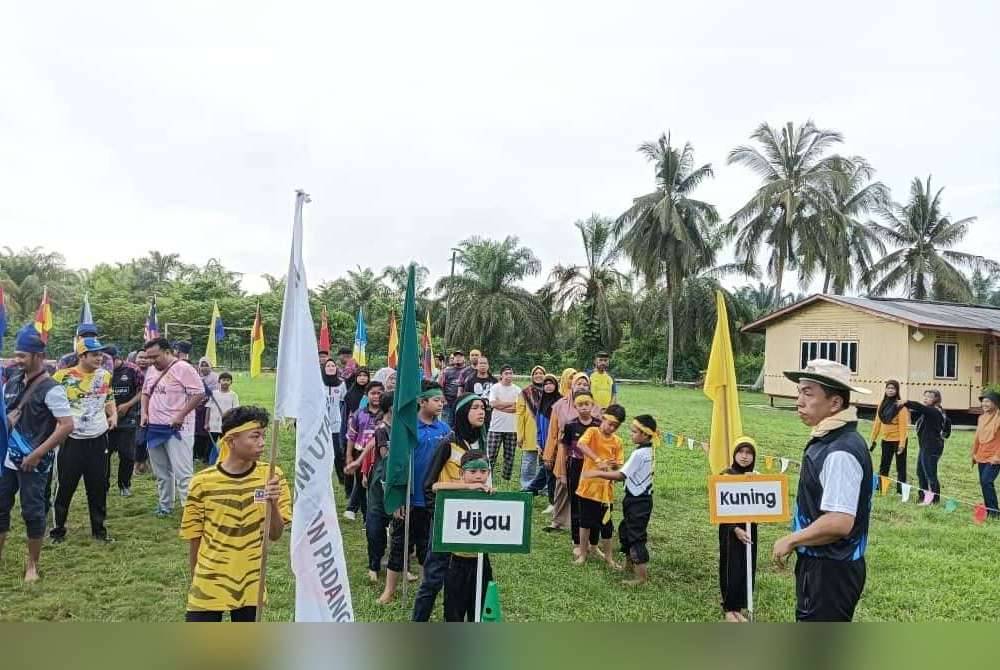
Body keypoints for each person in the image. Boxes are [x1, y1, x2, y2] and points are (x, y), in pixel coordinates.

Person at [772, 359, 873, 622]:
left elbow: (839, 522)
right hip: (824, 565)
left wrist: (792, 539)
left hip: (830, 569)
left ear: (835, 403)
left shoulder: (840, 451)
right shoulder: (831, 440)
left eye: (808, 393)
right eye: (799, 392)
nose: (799, 401)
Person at [179, 405, 291, 622]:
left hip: (251, 580)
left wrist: (273, 503)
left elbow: (275, 535)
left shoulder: (272, 476)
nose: (262, 442)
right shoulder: (202, 482)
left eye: (264, 436)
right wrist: (196, 578)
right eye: (255, 436)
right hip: (210, 578)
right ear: (231, 441)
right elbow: (195, 536)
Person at [0, 325, 74, 582]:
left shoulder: (52, 388)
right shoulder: (11, 383)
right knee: (1, 507)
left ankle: (32, 564)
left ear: (38, 356)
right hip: (6, 459)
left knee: (32, 511)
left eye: (22, 356)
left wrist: (38, 454)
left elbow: (66, 425)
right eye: (16, 355)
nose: (17, 360)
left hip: (34, 462)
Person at [412, 393, 487, 621]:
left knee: (469, 578)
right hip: (446, 521)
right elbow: (428, 484)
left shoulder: (481, 442)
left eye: (483, 407)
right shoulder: (448, 443)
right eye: (475, 407)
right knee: (433, 577)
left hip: (473, 523)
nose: (481, 411)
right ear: (463, 413)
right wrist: (440, 515)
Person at [378, 381, 450, 606]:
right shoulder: (407, 429)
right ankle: (389, 590)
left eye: (442, 400)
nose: (441, 404)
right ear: (422, 401)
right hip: (409, 498)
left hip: (433, 499)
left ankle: (426, 589)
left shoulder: (445, 430)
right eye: (436, 400)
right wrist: (398, 496)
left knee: (430, 547)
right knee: (399, 546)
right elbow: (395, 464)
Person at [50, 336, 117, 543]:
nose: (100, 358)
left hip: (97, 438)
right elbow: (50, 404)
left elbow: (108, 397)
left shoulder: (105, 375)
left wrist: (112, 414)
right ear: (82, 355)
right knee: (65, 486)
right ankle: (58, 530)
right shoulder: (62, 376)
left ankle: (99, 531)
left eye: (101, 354)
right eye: (95, 354)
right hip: (71, 439)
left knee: (97, 486)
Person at [583, 413, 658, 586]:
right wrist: (615, 465)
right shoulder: (646, 449)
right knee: (625, 531)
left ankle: (641, 577)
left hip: (639, 501)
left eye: (634, 432)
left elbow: (620, 475)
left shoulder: (640, 454)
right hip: (637, 499)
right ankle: (628, 565)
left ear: (645, 434)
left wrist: (596, 473)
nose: (631, 434)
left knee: (635, 536)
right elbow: (627, 470)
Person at [140, 337, 206, 517]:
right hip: (154, 428)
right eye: (149, 358)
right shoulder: (151, 370)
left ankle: (190, 511)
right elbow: (146, 393)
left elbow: (199, 393)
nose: (152, 361)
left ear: (168, 352)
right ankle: (165, 505)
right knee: (161, 472)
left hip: (178, 429)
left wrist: (180, 415)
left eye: (155, 357)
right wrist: (144, 413)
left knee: (183, 473)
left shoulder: (184, 368)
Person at [434, 449, 495, 622]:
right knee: (454, 612)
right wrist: (467, 486)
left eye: (483, 472)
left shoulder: (489, 494)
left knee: (480, 610)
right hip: (457, 562)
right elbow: (436, 486)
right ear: (461, 473)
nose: (478, 476)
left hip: (481, 561)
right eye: (473, 471)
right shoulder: (456, 491)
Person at [573, 403, 625, 568]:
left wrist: (612, 465)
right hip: (588, 488)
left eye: (615, 426)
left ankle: (608, 557)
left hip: (605, 491)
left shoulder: (617, 441)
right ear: (603, 418)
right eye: (609, 424)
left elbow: (618, 465)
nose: (611, 428)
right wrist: (597, 460)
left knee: (606, 525)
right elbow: (581, 445)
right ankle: (582, 553)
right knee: (585, 522)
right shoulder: (592, 432)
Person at [540, 369, 587, 533]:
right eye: (578, 383)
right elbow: (552, 433)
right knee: (562, 484)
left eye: (585, 383)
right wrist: (548, 455)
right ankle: (558, 521)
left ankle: (582, 521)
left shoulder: (594, 407)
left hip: (585, 454)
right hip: (563, 450)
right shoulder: (559, 405)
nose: (581, 386)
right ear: (571, 385)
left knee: (583, 486)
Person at [717, 438, 759, 621]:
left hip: (750, 528)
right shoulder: (726, 475)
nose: (744, 456)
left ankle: (740, 606)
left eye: (748, 452)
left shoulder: (756, 476)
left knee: (747, 566)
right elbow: (720, 508)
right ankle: (729, 608)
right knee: (731, 567)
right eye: (740, 451)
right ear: (734, 453)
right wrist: (735, 529)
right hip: (730, 530)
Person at [563, 387, 602, 556]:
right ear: (575, 407)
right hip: (576, 466)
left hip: (594, 469)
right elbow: (564, 449)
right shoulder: (570, 425)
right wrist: (563, 473)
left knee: (595, 504)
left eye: (587, 404)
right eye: (581, 404)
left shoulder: (599, 424)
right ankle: (578, 542)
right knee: (577, 504)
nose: (584, 407)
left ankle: (594, 543)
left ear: (592, 405)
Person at [361, 391, 394, 583]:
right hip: (380, 482)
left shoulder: (406, 427)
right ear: (391, 407)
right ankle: (374, 564)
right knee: (375, 527)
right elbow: (385, 453)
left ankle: (398, 565)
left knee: (400, 528)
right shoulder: (382, 429)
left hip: (400, 480)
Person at [343, 380, 385, 521]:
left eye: (379, 393)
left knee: (375, 485)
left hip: (379, 454)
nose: (376, 396)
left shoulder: (386, 414)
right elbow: (351, 436)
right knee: (361, 485)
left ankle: (375, 516)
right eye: (373, 393)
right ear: (367, 395)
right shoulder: (359, 414)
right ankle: (366, 516)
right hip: (360, 453)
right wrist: (349, 455)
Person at [900, 389, 949, 505]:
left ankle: (934, 500)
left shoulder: (934, 411)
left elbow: (919, 407)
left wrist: (906, 402)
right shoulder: (930, 412)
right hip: (925, 446)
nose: (926, 398)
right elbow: (948, 425)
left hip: (931, 447)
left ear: (936, 399)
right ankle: (923, 497)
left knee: (930, 474)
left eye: (929, 397)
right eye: (925, 396)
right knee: (920, 472)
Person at [109, 347, 143, 497]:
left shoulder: (133, 370)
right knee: (104, 455)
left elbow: (143, 390)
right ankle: (104, 485)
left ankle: (124, 485)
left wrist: (128, 404)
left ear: (117, 358)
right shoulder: (101, 371)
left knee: (127, 454)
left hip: (128, 419)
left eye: (110, 362)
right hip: (106, 420)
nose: (107, 365)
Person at [517, 368, 557, 494]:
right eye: (535, 373)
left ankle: (544, 488)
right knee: (529, 461)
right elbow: (519, 414)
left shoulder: (554, 396)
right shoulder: (525, 393)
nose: (538, 375)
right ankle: (527, 486)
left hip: (548, 434)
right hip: (529, 431)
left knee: (545, 461)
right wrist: (520, 434)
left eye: (541, 373)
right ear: (532, 376)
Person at [869, 380, 909, 494]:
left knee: (900, 467)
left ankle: (901, 491)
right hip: (886, 440)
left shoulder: (901, 406)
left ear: (897, 391)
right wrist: (873, 439)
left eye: (893, 388)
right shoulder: (882, 404)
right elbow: (877, 422)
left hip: (898, 441)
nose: (890, 390)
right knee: (884, 465)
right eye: (888, 388)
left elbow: (903, 427)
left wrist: (902, 444)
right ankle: (882, 488)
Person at [341, 366, 370, 504]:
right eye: (360, 375)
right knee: (349, 459)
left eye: (365, 375)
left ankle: (358, 496)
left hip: (365, 435)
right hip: (351, 432)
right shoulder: (350, 394)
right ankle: (348, 491)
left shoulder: (372, 394)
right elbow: (345, 414)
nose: (363, 378)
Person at [487, 365, 520, 482]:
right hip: (496, 427)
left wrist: (500, 405)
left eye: (510, 373)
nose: (508, 376)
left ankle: (506, 479)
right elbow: (492, 404)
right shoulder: (495, 388)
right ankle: (487, 478)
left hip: (512, 428)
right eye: (506, 373)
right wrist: (509, 404)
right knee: (490, 455)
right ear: (501, 375)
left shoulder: (517, 389)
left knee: (509, 456)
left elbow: (517, 407)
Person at [971, 390, 1000, 519]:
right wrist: (974, 453)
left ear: (996, 403)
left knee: (986, 481)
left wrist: (998, 456)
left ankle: (994, 512)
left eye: (988, 401)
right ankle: (990, 511)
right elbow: (977, 437)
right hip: (982, 455)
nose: (984, 404)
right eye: (983, 401)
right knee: (984, 483)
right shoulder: (981, 418)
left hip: (995, 457)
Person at [322, 359, 348, 487]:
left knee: (338, 452)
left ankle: (342, 478)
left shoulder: (341, 384)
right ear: (324, 368)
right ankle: (322, 477)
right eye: (328, 366)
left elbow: (344, 400)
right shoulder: (319, 383)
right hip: (321, 423)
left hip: (336, 423)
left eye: (333, 365)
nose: (331, 367)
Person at [132, 350, 152, 474]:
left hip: (148, 411)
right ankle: (136, 464)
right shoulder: (130, 372)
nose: (143, 360)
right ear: (135, 358)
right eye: (140, 357)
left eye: (146, 358)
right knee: (136, 440)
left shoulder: (153, 373)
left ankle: (143, 462)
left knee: (144, 439)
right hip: (132, 411)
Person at [439, 350, 468, 427]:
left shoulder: (468, 371)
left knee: (461, 426)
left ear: (464, 359)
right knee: (446, 426)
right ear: (453, 359)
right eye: (456, 357)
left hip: (463, 403)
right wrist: (443, 400)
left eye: (460, 356)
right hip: (448, 403)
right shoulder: (446, 371)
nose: (458, 358)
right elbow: (440, 386)